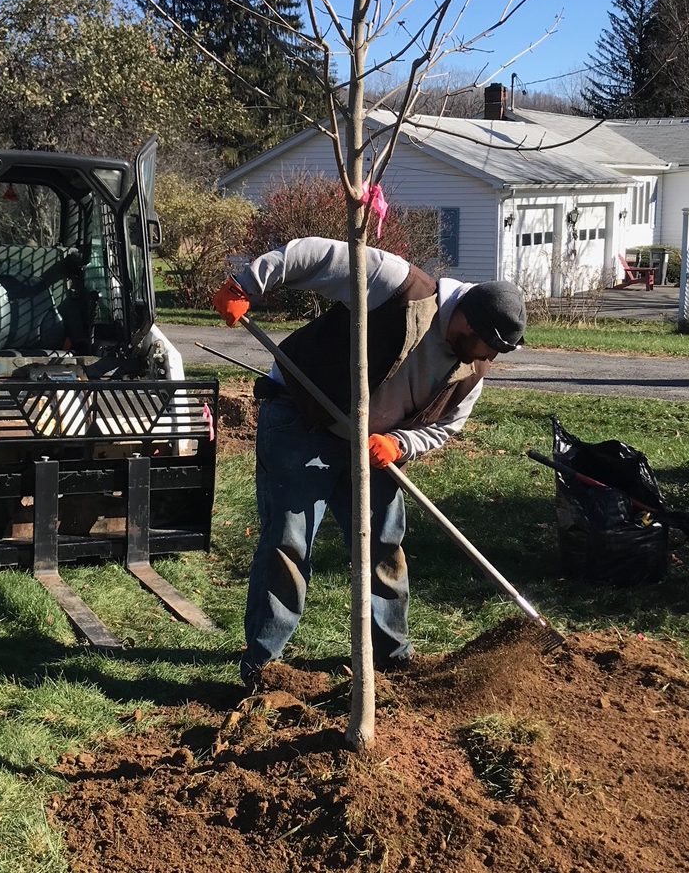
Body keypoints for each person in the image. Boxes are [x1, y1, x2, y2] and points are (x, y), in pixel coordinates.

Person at [212, 236, 527, 688]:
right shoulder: (398, 286)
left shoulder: (471, 368)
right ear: (466, 319)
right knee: (290, 540)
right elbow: (315, 254)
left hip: (371, 446)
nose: (485, 360)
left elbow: (448, 425)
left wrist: (401, 444)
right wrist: (247, 284)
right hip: (304, 416)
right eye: (483, 347)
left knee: (383, 544)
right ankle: (264, 666)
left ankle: (392, 658)